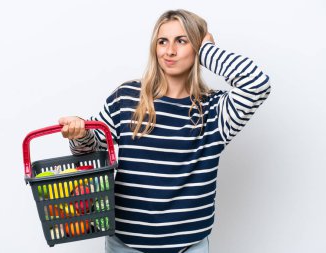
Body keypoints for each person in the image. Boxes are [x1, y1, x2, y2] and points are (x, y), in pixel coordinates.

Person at [59, 9, 271, 253]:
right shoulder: (127, 98)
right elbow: (93, 146)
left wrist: (210, 51)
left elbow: (257, 84)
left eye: (182, 41)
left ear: (198, 48)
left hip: (189, 246)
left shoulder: (216, 110)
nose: (169, 51)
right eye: (162, 42)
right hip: (126, 245)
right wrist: (80, 133)